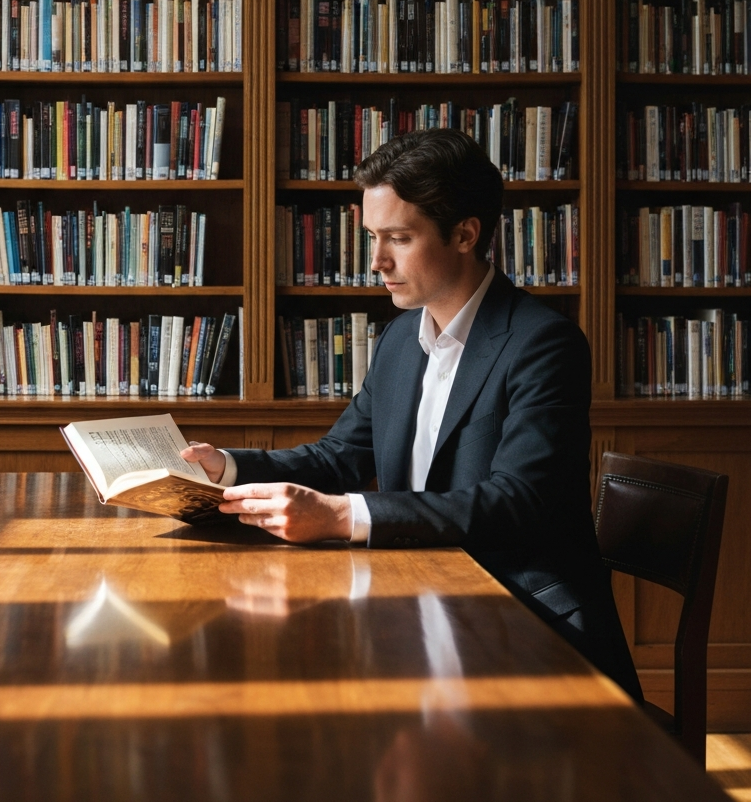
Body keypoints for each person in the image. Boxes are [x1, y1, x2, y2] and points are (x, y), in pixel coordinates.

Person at [181, 128, 643, 702]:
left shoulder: (544, 344)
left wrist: (341, 516)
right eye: (373, 237)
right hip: (424, 600)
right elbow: (340, 456)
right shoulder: (402, 337)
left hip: (523, 621)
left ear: (465, 234)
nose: (376, 261)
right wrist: (223, 469)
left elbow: (517, 502)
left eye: (398, 237)